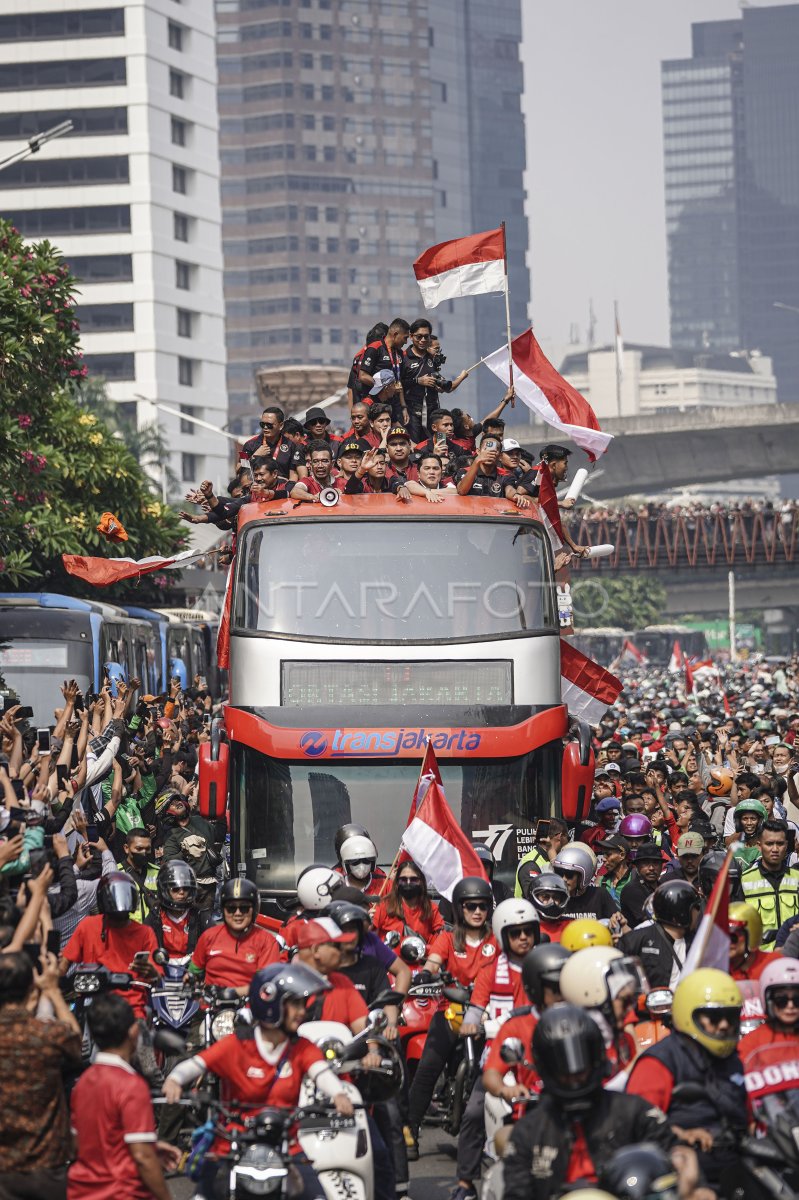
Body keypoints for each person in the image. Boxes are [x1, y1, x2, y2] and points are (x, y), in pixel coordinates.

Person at [164, 963, 352, 1200]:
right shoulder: (237, 1044)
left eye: (302, 1005)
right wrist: (174, 1080)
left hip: (286, 1147)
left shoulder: (301, 1047)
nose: (301, 1012)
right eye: (294, 1004)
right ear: (270, 1003)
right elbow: (194, 1065)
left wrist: (338, 1094)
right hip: (231, 1146)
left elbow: (322, 1073)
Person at [502, 1005, 674, 1200]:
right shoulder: (528, 1132)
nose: (574, 1078)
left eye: (581, 1068)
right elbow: (516, 1192)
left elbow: (673, 1160)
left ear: (596, 1058)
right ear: (547, 1069)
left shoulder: (635, 1112)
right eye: (564, 1072)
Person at [450, 898, 541, 1200]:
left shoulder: (546, 966)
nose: (523, 938)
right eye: (516, 933)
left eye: (528, 931)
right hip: (499, 1056)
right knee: (474, 1112)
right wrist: (470, 1023)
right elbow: (476, 1008)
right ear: (503, 935)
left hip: (542, 1053)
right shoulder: (490, 971)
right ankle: (465, 1182)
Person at [626, 969, 747, 1192]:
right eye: (713, 1018)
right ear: (687, 1014)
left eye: (729, 1017)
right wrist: (680, 1135)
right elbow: (634, 1127)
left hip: (738, 1169)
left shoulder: (733, 1059)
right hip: (684, 1180)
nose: (723, 1026)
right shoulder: (658, 1063)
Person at [405, 876, 497, 1158]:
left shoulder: (495, 941)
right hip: (450, 1012)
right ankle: (409, 1132)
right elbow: (433, 961)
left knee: (489, 1074)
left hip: (485, 1016)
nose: (477, 912)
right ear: (460, 909)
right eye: (471, 906)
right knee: (427, 1070)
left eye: (482, 906)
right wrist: (426, 972)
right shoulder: (447, 938)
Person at [69, 993, 179, 1200]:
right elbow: (142, 1157)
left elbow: (81, 1142)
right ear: (134, 1031)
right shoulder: (131, 1085)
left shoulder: (82, 1083)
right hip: (121, 1193)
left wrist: (150, 1145)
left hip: (81, 1192)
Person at [0, 951, 81, 1200]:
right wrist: (54, 991)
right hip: (46, 1167)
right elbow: (76, 1041)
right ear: (30, 990)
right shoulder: (47, 1035)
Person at [59, 871, 161, 1020]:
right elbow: (65, 961)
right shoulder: (88, 926)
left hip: (132, 1007)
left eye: (123, 917)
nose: (118, 922)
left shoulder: (145, 933)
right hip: (93, 1002)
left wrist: (151, 971)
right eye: (114, 918)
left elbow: (157, 976)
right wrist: (56, 975)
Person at [558, 945, 642, 1077]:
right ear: (595, 997)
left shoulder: (625, 1040)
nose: (629, 1009)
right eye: (624, 1001)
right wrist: (635, 1068)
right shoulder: (573, 1052)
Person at [187, 877, 280, 995]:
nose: (237, 913)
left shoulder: (267, 941)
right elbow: (193, 973)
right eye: (231, 908)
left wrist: (232, 992)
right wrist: (189, 981)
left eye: (244, 908)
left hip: (249, 1008)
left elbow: (266, 984)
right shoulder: (208, 936)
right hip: (211, 1007)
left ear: (254, 909)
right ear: (223, 910)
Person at [619, 879, 702, 989]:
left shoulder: (698, 943)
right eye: (695, 908)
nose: (699, 912)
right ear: (681, 911)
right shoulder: (637, 940)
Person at [741, 818, 799, 948]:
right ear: (759, 845)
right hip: (760, 960)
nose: (775, 849)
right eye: (769, 843)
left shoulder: (797, 878)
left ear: (787, 845)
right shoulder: (744, 880)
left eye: (780, 843)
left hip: (793, 958)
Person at [144, 859, 214, 963]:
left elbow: (215, 940)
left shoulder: (199, 914)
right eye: (175, 889)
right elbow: (143, 942)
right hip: (161, 968)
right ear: (165, 889)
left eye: (185, 888)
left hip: (192, 970)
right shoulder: (156, 914)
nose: (181, 893)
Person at [371, 860, 444, 950]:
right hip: (389, 961)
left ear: (421, 882)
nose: (408, 883)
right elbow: (370, 938)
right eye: (403, 879)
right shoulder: (383, 905)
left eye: (413, 879)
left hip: (422, 961)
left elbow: (442, 940)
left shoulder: (431, 908)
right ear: (397, 882)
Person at [738, 955, 799, 1057]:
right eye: (781, 1000)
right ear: (767, 999)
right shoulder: (752, 1042)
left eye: (797, 999)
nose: (790, 1005)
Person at [551, 843, 620, 921]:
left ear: (581, 876)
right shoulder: (554, 898)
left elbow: (616, 923)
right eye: (559, 873)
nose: (564, 879)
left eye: (569, 874)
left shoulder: (599, 895)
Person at [116, 827, 158, 922]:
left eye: (147, 849)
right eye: (139, 848)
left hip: (153, 932)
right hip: (127, 932)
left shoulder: (158, 873)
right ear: (126, 848)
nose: (144, 853)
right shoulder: (116, 874)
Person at [620, 842, 664, 929]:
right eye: (646, 863)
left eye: (655, 863)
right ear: (637, 866)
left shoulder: (663, 888)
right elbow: (650, 920)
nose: (651, 868)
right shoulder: (632, 889)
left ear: (661, 866)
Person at [334, 828, 387, 896]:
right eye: (355, 862)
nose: (361, 867)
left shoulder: (384, 884)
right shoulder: (334, 883)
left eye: (366, 860)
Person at [728, 902, 771, 982]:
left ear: (752, 933)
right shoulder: (716, 971)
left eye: (733, 936)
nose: (727, 942)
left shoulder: (773, 965)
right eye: (723, 935)